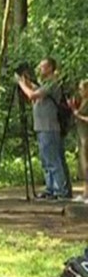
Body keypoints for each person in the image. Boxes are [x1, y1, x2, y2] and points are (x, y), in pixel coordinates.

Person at [17, 57, 70, 199]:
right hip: (41, 126)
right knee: (46, 160)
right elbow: (35, 90)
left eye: (43, 66)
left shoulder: (54, 82)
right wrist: (26, 81)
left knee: (53, 160)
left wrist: (21, 84)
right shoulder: (46, 83)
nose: (40, 69)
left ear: (50, 68)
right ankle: (51, 188)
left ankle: (61, 191)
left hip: (49, 127)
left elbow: (32, 95)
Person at [69, 80, 88, 204]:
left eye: (82, 89)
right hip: (82, 137)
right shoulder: (83, 101)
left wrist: (77, 114)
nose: (80, 92)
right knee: (83, 164)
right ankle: (85, 192)